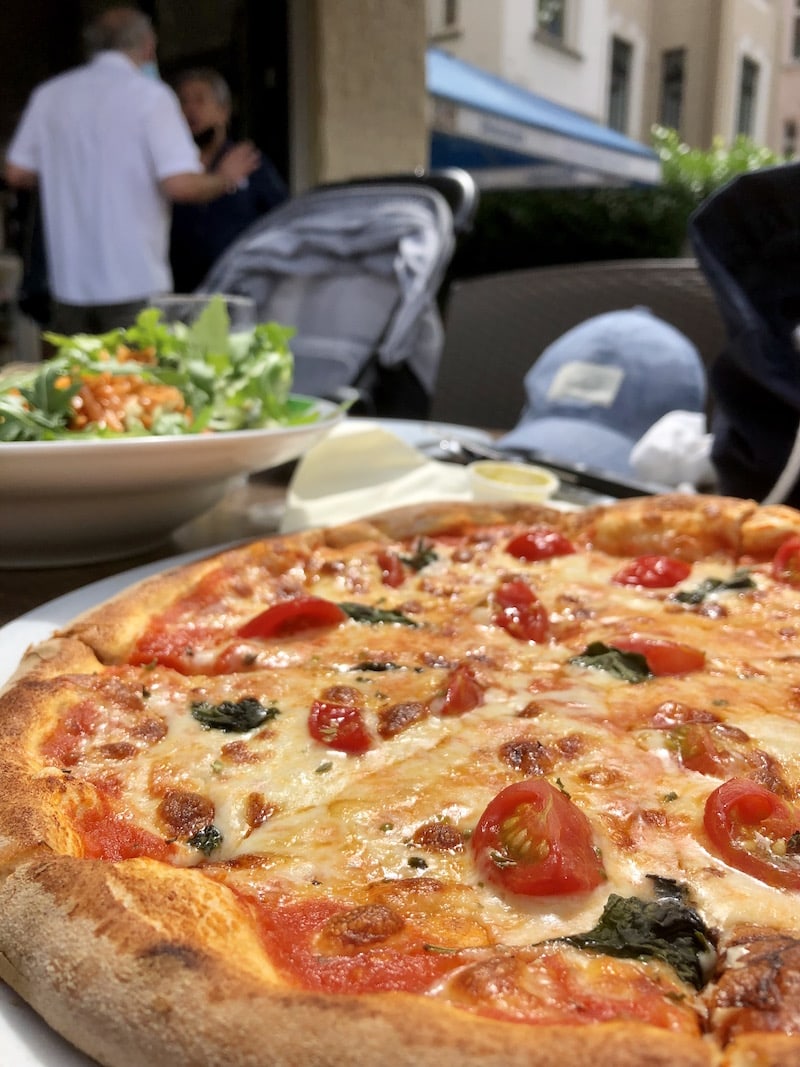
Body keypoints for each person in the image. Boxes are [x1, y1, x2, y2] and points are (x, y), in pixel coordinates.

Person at [3, 7, 260, 335]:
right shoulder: (151, 98)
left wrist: (67, 169)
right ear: (148, 45)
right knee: (139, 383)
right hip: (135, 283)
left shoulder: (51, 96)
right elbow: (180, 185)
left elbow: (16, 172)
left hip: (68, 284)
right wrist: (225, 178)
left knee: (77, 382)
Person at [170, 67, 288, 292]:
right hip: (182, 290)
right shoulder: (173, 168)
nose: (190, 109)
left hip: (239, 287)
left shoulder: (249, 162)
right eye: (183, 102)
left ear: (223, 111)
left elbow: (281, 217)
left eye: (200, 100)